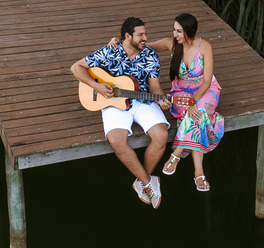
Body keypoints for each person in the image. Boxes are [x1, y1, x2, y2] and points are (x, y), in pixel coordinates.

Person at [71, 17, 170, 208]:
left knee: (161, 135)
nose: (145, 38)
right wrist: (96, 86)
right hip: (113, 103)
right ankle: (148, 182)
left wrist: (161, 99)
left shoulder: (150, 55)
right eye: (140, 35)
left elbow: (155, 86)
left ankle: (142, 182)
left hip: (142, 100)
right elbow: (76, 67)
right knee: (116, 141)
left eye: (145, 34)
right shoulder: (110, 51)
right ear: (127, 36)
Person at [118, 13, 224, 191]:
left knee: (198, 111)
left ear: (190, 31)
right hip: (181, 92)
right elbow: (142, 45)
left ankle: (177, 154)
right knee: (196, 116)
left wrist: (193, 101)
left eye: (179, 31)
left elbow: (207, 81)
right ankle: (199, 172)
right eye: (174, 30)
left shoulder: (205, 46)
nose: (175, 34)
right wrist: (120, 41)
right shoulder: (172, 43)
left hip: (205, 91)